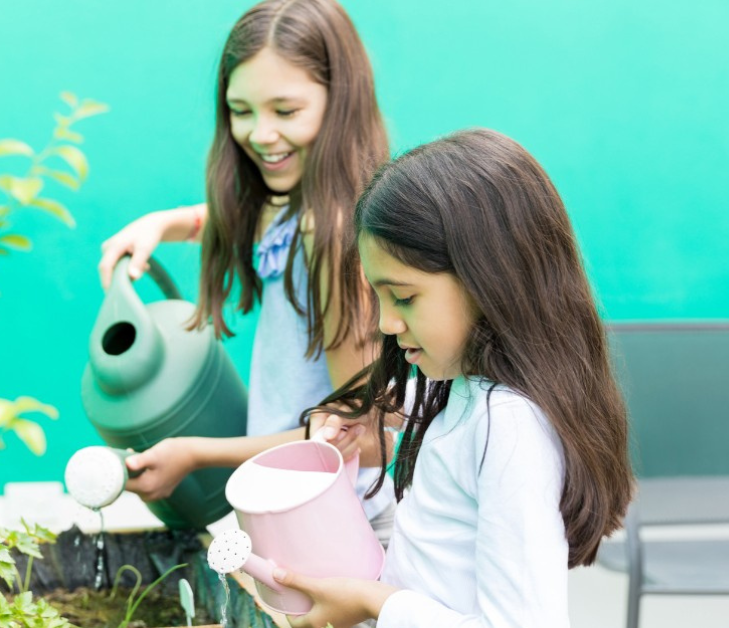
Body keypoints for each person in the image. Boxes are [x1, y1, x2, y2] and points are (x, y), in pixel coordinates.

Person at [276, 129, 634, 627]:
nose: (385, 323)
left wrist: (372, 603)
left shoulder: (509, 425)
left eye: (403, 296)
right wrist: (364, 428)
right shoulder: (464, 388)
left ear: (489, 278)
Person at [97, 0, 397, 533]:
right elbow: (245, 217)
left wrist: (196, 453)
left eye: (285, 111)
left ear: (340, 102)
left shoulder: (331, 239)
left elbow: (364, 438)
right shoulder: (296, 207)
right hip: (292, 513)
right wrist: (167, 223)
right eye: (242, 110)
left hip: (336, 529)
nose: (260, 134)